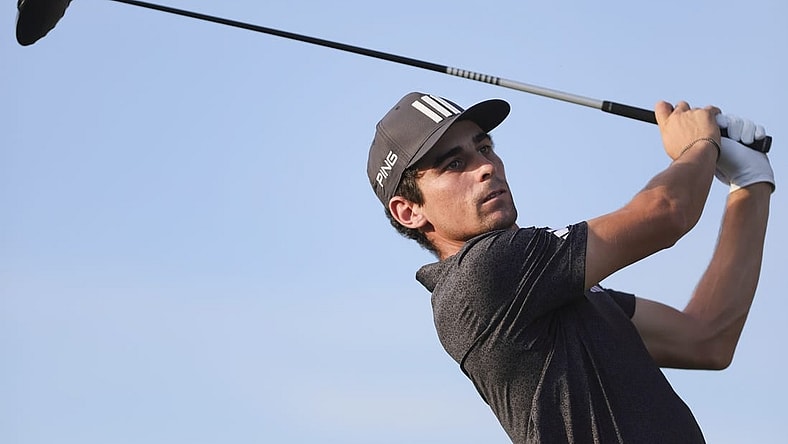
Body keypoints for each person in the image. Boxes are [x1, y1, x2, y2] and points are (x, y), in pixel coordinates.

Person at [366, 92, 774, 443]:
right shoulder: (484, 274)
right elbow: (668, 212)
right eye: (454, 164)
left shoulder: (549, 290)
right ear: (409, 211)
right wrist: (699, 144)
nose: (485, 166)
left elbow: (705, 338)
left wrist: (750, 183)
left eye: (484, 148)